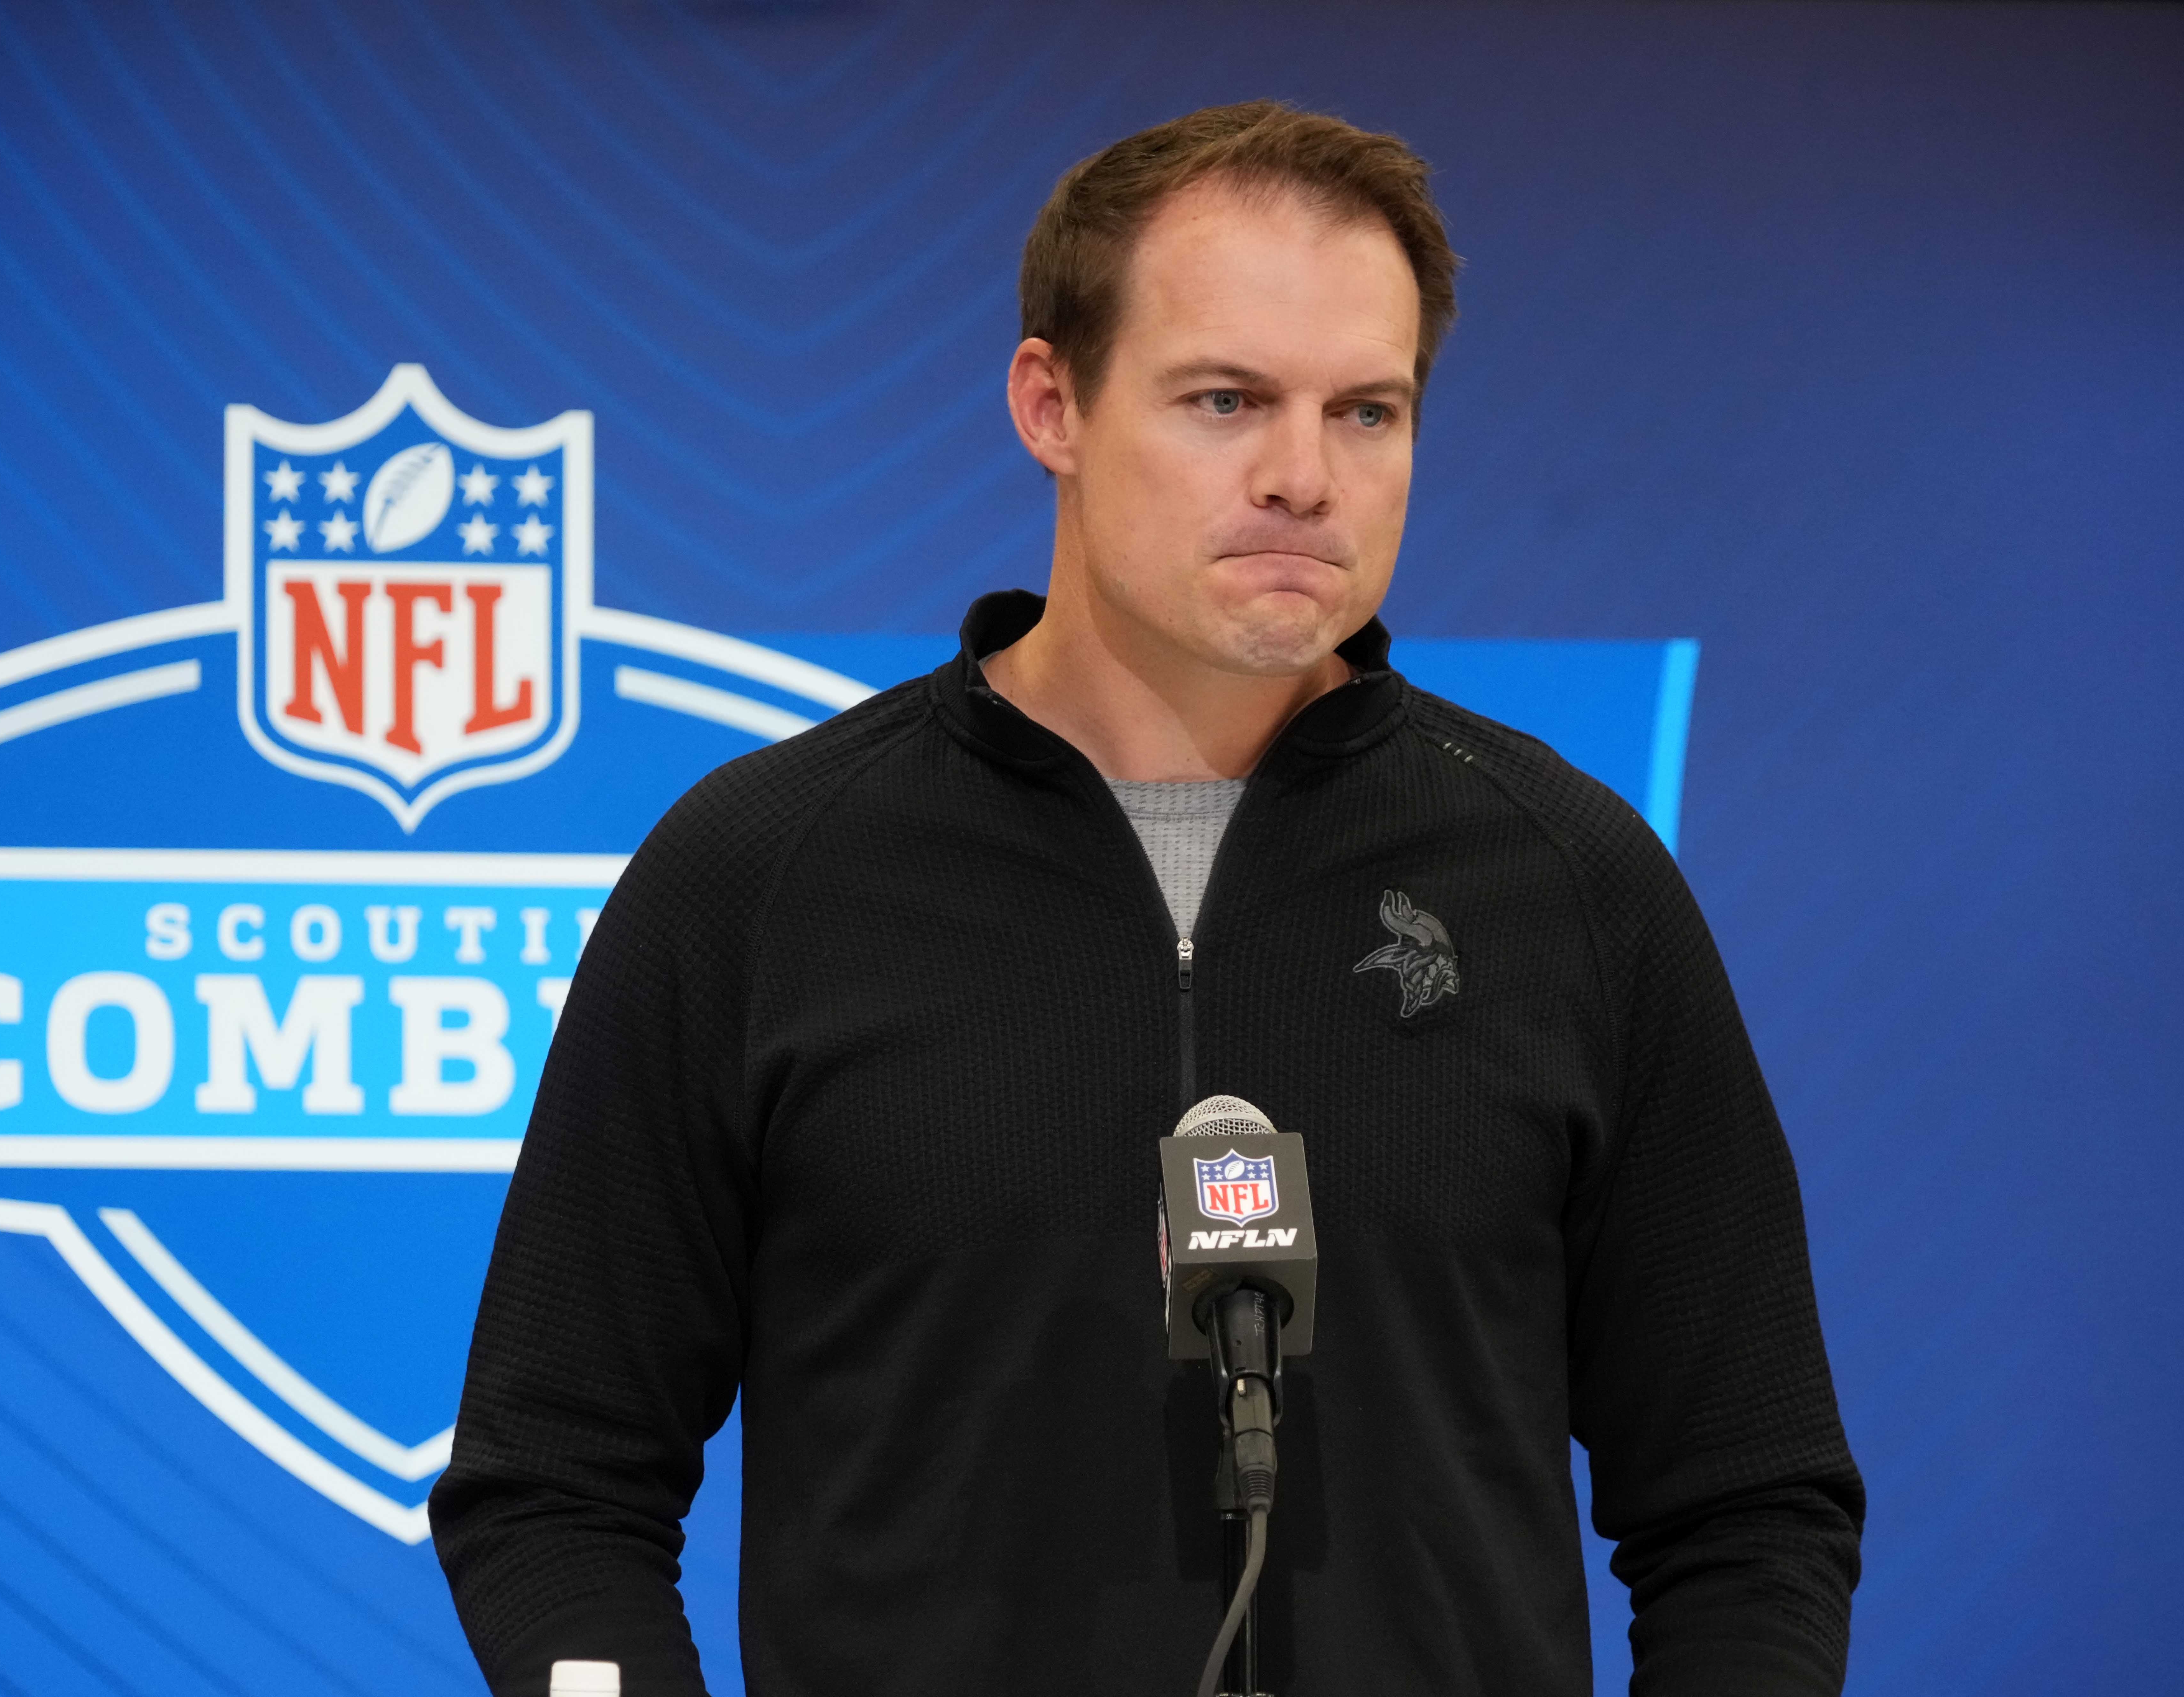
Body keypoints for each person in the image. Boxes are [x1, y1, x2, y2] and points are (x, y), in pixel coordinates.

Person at [434, 101, 1864, 1697]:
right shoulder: (761, 875)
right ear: (1052, 402)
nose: (1304, 476)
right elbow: (554, 1479)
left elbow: (1750, 1502)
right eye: (1227, 398)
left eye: (1368, 411)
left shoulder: (1572, 881)